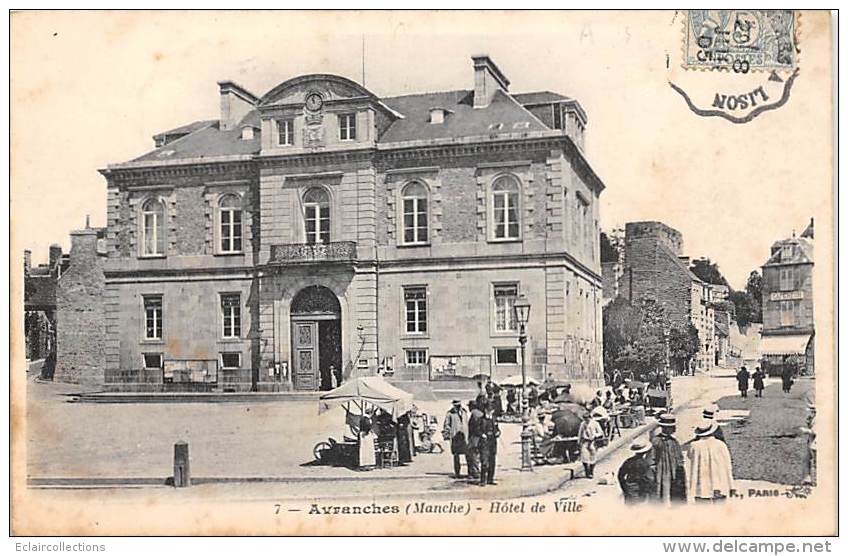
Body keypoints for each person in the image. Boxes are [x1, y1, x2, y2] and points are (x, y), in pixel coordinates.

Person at [687, 422, 734, 503]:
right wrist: (731, 485)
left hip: (701, 484)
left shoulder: (694, 445)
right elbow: (727, 464)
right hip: (719, 483)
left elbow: (689, 457)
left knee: (703, 509)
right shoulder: (720, 444)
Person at [650, 414, 687, 504]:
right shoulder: (657, 441)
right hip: (662, 469)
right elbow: (653, 457)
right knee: (663, 488)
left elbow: (679, 456)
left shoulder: (674, 441)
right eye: (671, 427)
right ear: (665, 428)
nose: (674, 429)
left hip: (674, 469)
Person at [442, 400, 468, 478]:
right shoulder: (450, 413)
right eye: (456, 405)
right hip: (455, 436)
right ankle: (457, 472)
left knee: (467, 454)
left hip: (465, 436)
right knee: (456, 455)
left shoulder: (464, 412)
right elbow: (446, 424)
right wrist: (447, 432)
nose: (458, 406)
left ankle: (470, 471)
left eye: (459, 405)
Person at [478, 402, 501, 486]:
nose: (490, 412)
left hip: (493, 442)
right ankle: (482, 480)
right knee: (484, 461)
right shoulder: (481, 419)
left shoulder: (494, 419)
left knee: (492, 461)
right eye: (488, 410)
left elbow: (497, 429)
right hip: (484, 442)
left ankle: (490, 479)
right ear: (485, 410)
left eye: (491, 411)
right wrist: (482, 434)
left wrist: (498, 433)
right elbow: (477, 430)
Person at [577, 410, 604, 478]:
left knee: (593, 457)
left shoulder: (595, 423)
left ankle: (591, 472)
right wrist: (579, 442)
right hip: (585, 441)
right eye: (585, 418)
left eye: (587, 418)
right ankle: (587, 471)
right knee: (584, 457)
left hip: (592, 442)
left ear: (590, 417)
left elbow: (601, 432)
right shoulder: (583, 424)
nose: (586, 420)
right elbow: (580, 433)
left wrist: (595, 435)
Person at [466, 396, 486, 480]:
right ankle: (475, 471)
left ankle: (475, 472)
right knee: (476, 455)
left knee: (473, 455)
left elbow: (474, 427)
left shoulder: (474, 414)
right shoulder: (480, 413)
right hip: (479, 437)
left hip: (474, 438)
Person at [800, 402, 816, 485]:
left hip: (815, 443)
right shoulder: (813, 418)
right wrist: (808, 422)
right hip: (811, 441)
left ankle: (813, 480)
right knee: (807, 459)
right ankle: (808, 478)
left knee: (813, 462)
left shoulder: (818, 418)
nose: (810, 412)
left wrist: (805, 430)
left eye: (812, 410)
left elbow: (816, 431)